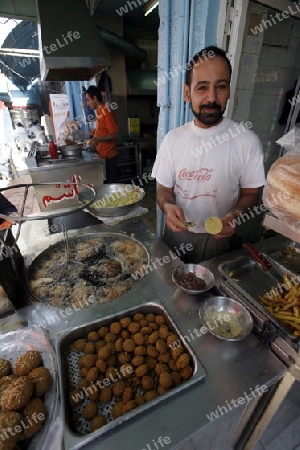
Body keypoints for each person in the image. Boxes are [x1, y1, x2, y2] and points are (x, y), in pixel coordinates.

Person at [151, 46, 265, 264]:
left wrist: (235, 215)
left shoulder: (247, 141)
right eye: (202, 87)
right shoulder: (172, 140)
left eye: (220, 86)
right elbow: (163, 190)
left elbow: (251, 194)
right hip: (175, 238)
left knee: (213, 295)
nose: (212, 98)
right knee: (169, 291)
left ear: (229, 90)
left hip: (220, 242)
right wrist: (167, 206)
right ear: (187, 92)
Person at [86, 85, 119, 183]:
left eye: (88, 100)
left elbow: (115, 134)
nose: (87, 103)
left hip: (109, 156)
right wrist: (96, 131)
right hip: (102, 155)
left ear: (95, 98)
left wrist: (98, 139)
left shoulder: (106, 111)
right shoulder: (100, 112)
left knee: (110, 186)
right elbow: (105, 128)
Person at [0, 193, 26, 310]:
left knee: (18, 264)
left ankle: (25, 286)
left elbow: (5, 205)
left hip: (4, 235)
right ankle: (19, 304)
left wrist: (11, 213)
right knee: (7, 281)